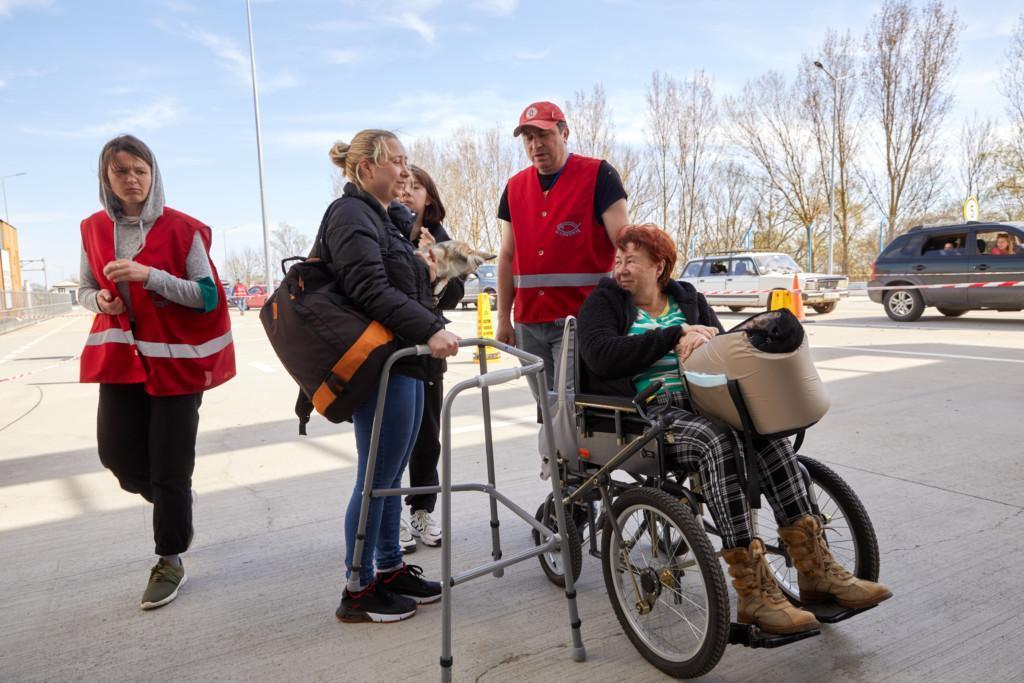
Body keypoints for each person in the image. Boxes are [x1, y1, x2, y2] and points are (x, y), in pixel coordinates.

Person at [577, 223, 892, 636]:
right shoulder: (604, 303)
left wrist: (705, 339)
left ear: (660, 266)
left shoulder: (688, 298)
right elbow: (600, 355)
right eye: (618, 260)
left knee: (769, 437)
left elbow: (725, 353)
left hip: (705, 404)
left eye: (631, 260)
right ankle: (754, 593)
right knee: (718, 442)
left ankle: (816, 571)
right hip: (646, 416)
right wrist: (674, 337)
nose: (620, 268)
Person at [77, 134, 236, 610]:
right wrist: (100, 299)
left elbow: (209, 295)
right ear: (106, 177)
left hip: (177, 367)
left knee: (170, 467)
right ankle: (175, 505)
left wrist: (151, 278)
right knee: (117, 457)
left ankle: (169, 557)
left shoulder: (183, 228)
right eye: (120, 171)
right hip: (122, 365)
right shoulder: (91, 229)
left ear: (154, 174)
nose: (132, 179)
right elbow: (86, 288)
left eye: (140, 170)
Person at [323, 130, 460, 623]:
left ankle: (388, 567)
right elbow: (367, 287)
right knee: (376, 478)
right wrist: (429, 327)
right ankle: (357, 589)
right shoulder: (350, 215)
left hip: (402, 360)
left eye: (406, 162)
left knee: (389, 477)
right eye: (396, 162)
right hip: (380, 365)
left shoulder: (381, 217)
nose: (405, 172)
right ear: (365, 170)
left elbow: (415, 278)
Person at [494, 100, 629, 395]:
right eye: (529, 138)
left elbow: (625, 247)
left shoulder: (599, 176)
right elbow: (507, 256)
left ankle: (567, 444)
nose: (536, 145)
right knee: (547, 408)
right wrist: (504, 317)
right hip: (528, 322)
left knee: (570, 410)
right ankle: (552, 444)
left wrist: (630, 309)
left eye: (544, 135)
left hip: (580, 320)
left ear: (564, 133)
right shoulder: (514, 187)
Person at [395, 165, 464, 551]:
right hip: (388, 350)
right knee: (390, 440)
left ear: (429, 199)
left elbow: (453, 296)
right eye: (403, 184)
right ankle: (390, 517)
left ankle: (421, 510)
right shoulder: (384, 231)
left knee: (427, 439)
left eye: (416, 186)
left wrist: (436, 273)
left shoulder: (442, 241)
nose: (407, 191)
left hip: (428, 353)